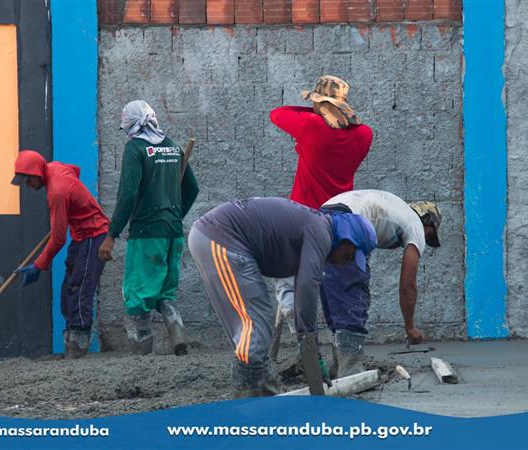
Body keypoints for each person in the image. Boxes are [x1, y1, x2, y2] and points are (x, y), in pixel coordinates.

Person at [188, 197, 376, 396]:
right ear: (345, 239)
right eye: (348, 256)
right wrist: (310, 348)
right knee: (255, 325)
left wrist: (311, 351)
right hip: (221, 238)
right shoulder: (321, 233)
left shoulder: (317, 227)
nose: (344, 263)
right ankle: (247, 401)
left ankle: (266, 395)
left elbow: (301, 292)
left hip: (219, 239)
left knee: (258, 323)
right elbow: (307, 287)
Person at [269, 75, 373, 345]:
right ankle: (343, 344)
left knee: (289, 282)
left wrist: (316, 109)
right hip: (340, 221)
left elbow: (278, 113)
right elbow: (350, 127)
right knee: (335, 286)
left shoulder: (311, 126)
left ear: (320, 103)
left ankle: (305, 342)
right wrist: (335, 110)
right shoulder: (363, 134)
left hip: (303, 218)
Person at [98, 100, 199, 356]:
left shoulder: (136, 149)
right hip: (173, 234)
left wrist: (112, 234)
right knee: (165, 293)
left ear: (132, 125)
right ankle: (177, 334)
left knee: (138, 297)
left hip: (146, 235)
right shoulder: (172, 146)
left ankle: (141, 356)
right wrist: (174, 216)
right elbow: (192, 188)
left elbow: (128, 195)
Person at [320, 190, 442, 377]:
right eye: (429, 235)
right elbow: (408, 284)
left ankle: (339, 367)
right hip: (347, 221)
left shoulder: (397, 208)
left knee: (334, 296)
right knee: (353, 297)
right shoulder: (415, 225)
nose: (425, 239)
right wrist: (410, 327)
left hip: (322, 217)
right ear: (429, 224)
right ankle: (351, 371)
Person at [12, 150, 109, 359]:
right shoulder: (53, 167)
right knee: (69, 290)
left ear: (36, 173)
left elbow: (57, 240)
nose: (27, 185)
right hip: (81, 236)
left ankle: (78, 348)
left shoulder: (56, 194)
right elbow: (75, 171)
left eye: (27, 179)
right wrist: (71, 207)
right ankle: (71, 346)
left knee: (80, 289)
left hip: (93, 235)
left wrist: (38, 265)